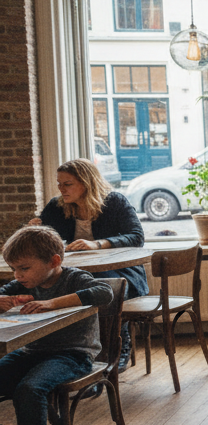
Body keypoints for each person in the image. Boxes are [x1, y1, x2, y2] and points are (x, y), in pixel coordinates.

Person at [0, 226, 113, 425]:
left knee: (30, 390)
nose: (18, 276)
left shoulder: (74, 278)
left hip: (72, 355)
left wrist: (52, 303)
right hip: (31, 352)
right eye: (13, 269)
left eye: (24, 268)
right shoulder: (23, 284)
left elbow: (104, 292)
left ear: (54, 261)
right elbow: (5, 291)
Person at [34, 158, 145, 369]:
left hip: (121, 271)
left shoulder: (114, 202)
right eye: (59, 183)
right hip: (75, 272)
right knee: (58, 287)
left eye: (68, 184)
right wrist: (34, 230)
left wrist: (99, 244)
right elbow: (42, 241)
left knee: (105, 288)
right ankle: (67, 352)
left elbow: (136, 236)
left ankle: (118, 347)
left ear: (86, 183)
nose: (61, 189)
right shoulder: (57, 206)